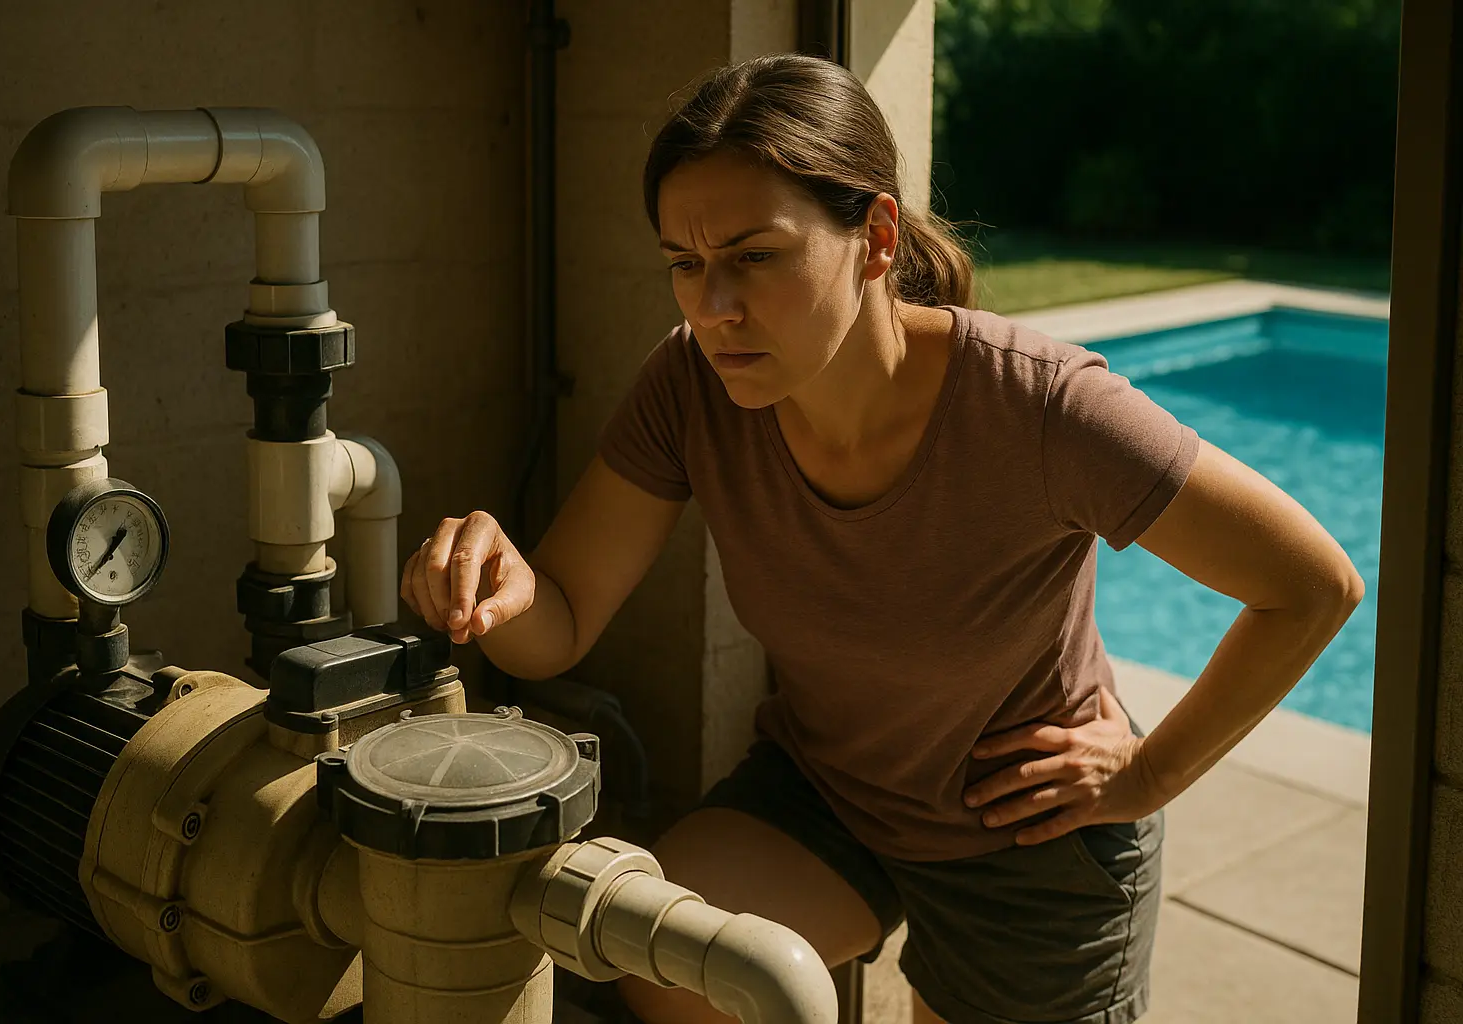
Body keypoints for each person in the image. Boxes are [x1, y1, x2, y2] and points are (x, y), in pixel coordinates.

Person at [400, 54, 1364, 1024]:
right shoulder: (692, 384)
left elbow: (1312, 583)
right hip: (828, 795)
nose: (712, 307)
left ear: (876, 236)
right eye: (685, 265)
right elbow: (559, 621)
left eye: (754, 255)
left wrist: (1150, 774)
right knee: (653, 958)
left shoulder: (1042, 407)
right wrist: (508, 588)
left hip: (1026, 831)